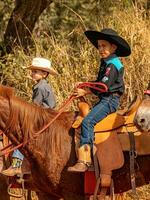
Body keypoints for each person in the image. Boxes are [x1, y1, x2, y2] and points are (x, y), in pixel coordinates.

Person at [68, 28, 131, 172]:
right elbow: (99, 82)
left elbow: (103, 86)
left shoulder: (112, 64)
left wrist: (86, 90)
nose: (100, 49)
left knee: (88, 122)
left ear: (113, 47)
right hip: (105, 100)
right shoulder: (107, 62)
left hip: (109, 101)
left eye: (104, 46)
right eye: (99, 46)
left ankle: (85, 159)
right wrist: (85, 84)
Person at [1, 57, 58, 176]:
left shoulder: (39, 87)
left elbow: (35, 108)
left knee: (22, 137)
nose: (32, 73)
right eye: (32, 71)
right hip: (48, 114)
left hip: (43, 117)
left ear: (44, 74)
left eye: (35, 71)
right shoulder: (44, 85)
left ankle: (17, 165)